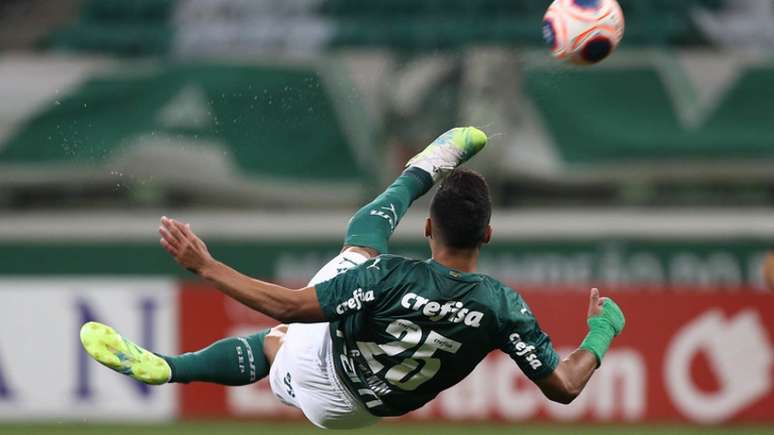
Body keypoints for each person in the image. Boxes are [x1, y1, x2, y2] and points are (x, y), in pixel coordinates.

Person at [80, 127, 625, 429]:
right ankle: (430, 163)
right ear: (488, 235)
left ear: (429, 226)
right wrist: (602, 332)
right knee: (278, 343)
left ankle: (428, 163)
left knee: (358, 244)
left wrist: (206, 266)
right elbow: (565, 387)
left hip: (323, 375)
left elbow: (291, 306)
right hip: (363, 413)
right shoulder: (503, 306)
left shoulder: (387, 278)